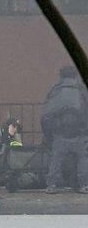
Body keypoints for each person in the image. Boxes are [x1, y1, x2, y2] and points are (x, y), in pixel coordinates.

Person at [41, 65, 88, 193]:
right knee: (83, 159)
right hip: (80, 133)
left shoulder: (56, 90)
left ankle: (51, 185)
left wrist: (48, 133)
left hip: (60, 133)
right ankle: (84, 185)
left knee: (56, 160)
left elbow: (47, 115)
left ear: (61, 75)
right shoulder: (82, 90)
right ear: (75, 75)